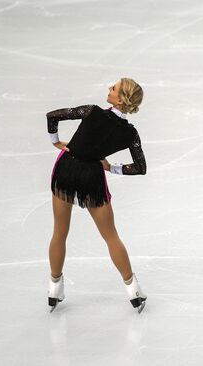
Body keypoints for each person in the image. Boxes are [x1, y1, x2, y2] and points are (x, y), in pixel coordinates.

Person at [46, 78, 148, 313]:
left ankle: (54, 288)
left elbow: (53, 115)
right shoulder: (129, 133)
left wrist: (55, 142)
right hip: (92, 176)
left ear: (121, 99)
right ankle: (133, 291)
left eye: (113, 88)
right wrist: (112, 168)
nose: (109, 88)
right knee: (111, 236)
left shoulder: (92, 111)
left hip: (66, 169)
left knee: (59, 233)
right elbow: (140, 166)